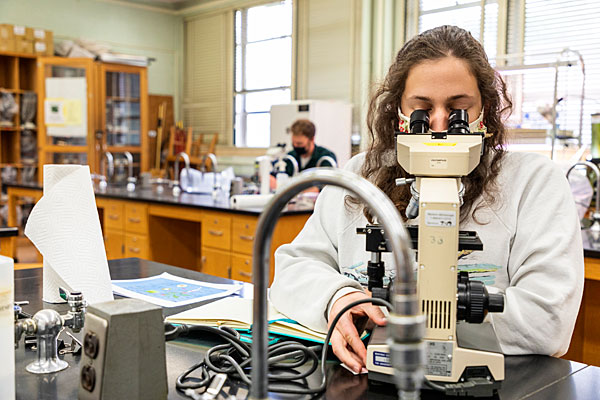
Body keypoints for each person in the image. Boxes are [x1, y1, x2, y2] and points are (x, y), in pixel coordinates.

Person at [270, 25, 584, 374]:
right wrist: (336, 297)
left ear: (485, 110)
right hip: (363, 375)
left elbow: (549, 318)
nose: (438, 125)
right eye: (421, 109)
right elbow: (293, 268)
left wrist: (409, 315)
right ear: (398, 112)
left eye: (458, 110)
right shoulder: (361, 175)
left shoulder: (533, 181)